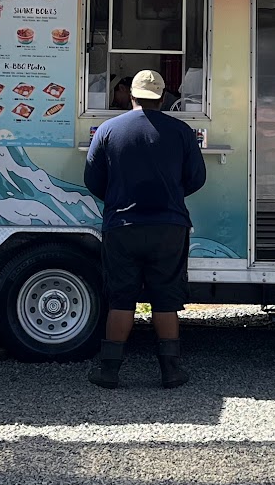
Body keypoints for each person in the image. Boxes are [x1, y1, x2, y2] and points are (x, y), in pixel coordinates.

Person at [82, 68, 206, 389]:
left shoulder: (108, 130)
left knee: (121, 298)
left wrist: (116, 198)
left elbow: (92, 180)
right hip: (169, 227)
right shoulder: (181, 131)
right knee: (165, 298)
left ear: (132, 96)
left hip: (122, 227)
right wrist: (171, 196)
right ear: (163, 98)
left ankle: (109, 371)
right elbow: (197, 178)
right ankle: (171, 371)